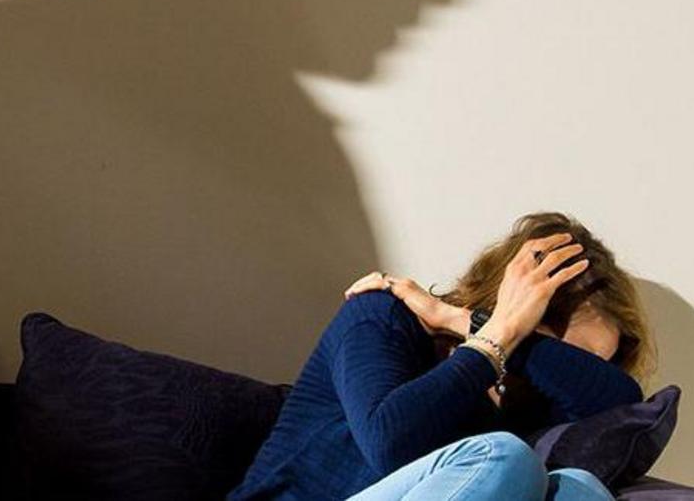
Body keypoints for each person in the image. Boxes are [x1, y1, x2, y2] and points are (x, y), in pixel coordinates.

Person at [229, 212, 655, 501]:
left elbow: (619, 402)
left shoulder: (522, 394)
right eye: (564, 353)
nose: (570, 373)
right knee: (502, 457)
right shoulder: (381, 315)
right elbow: (389, 443)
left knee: (578, 488)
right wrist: (501, 333)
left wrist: (458, 317)